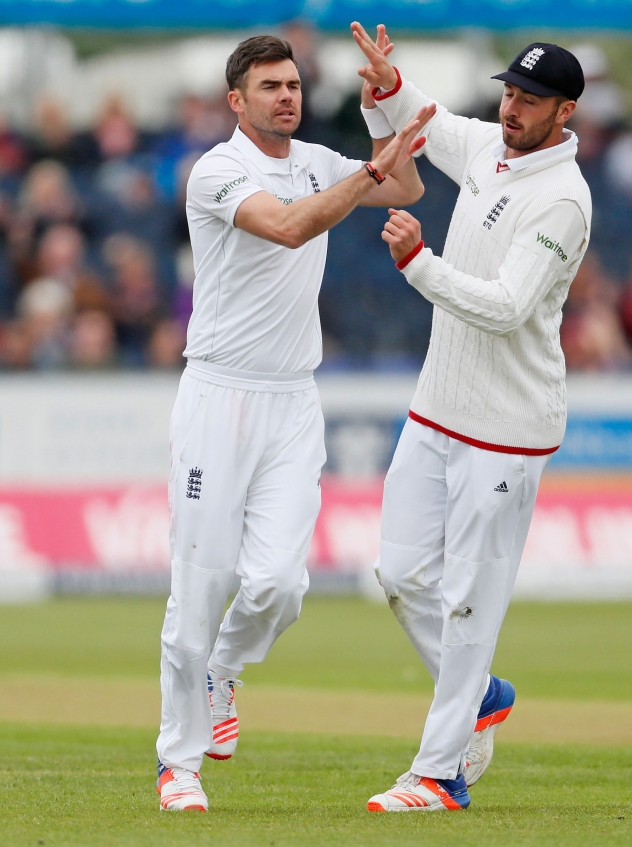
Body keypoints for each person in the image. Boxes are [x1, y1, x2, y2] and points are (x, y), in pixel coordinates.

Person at [155, 33, 434, 812]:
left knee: (280, 584)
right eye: (270, 86)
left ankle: (223, 669)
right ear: (237, 100)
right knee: (200, 582)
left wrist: (382, 100)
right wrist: (368, 173)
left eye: (294, 84)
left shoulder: (318, 157)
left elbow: (405, 185)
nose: (287, 95)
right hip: (218, 394)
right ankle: (178, 763)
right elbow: (286, 226)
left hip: (292, 398)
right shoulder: (217, 169)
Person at [351, 22, 591, 812]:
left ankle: (439, 772)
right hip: (437, 407)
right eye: (510, 93)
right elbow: (429, 122)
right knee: (400, 574)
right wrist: (389, 83)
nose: (513, 108)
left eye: (531, 100)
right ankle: (481, 692)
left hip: (507, 424)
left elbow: (509, 308)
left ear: (566, 112)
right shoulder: (490, 145)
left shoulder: (563, 199)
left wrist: (419, 263)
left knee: (467, 600)